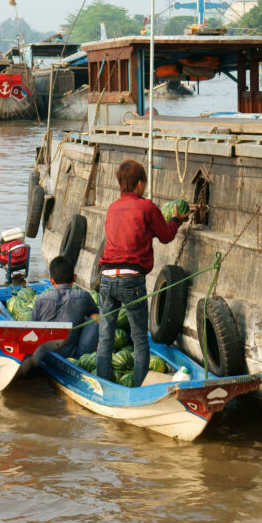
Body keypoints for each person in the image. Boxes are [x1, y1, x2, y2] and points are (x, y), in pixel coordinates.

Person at [96, 159, 188, 386]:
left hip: (106, 277)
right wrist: (176, 220)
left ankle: (102, 384)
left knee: (106, 336)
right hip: (131, 280)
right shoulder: (147, 207)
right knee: (139, 340)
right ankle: (138, 388)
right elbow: (165, 236)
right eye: (144, 182)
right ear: (139, 183)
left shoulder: (112, 207)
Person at [32, 256, 99, 359]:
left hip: (46, 353)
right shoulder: (84, 296)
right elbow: (97, 316)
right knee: (96, 317)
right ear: (75, 277)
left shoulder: (40, 299)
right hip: (76, 356)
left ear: (51, 280)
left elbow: (32, 328)